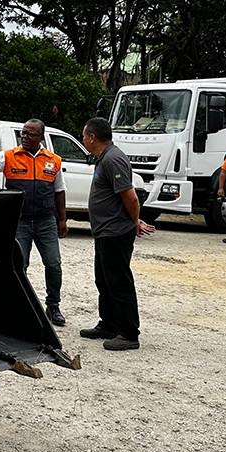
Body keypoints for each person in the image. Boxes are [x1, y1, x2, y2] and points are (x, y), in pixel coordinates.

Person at [0, 119, 68, 326]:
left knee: (53, 264)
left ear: (41, 137)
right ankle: (20, 305)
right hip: (20, 221)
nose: (25, 137)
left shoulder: (53, 160)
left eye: (31, 134)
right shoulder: (10, 156)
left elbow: (59, 190)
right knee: (19, 264)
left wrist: (62, 219)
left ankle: (53, 306)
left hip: (46, 221)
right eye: (23, 133)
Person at [78, 117, 146, 351]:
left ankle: (128, 333)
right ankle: (109, 323)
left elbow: (131, 196)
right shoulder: (104, 158)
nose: (83, 139)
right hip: (105, 231)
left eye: (84, 135)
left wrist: (134, 221)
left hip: (116, 231)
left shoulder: (114, 159)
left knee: (119, 281)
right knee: (104, 279)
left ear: (92, 137)